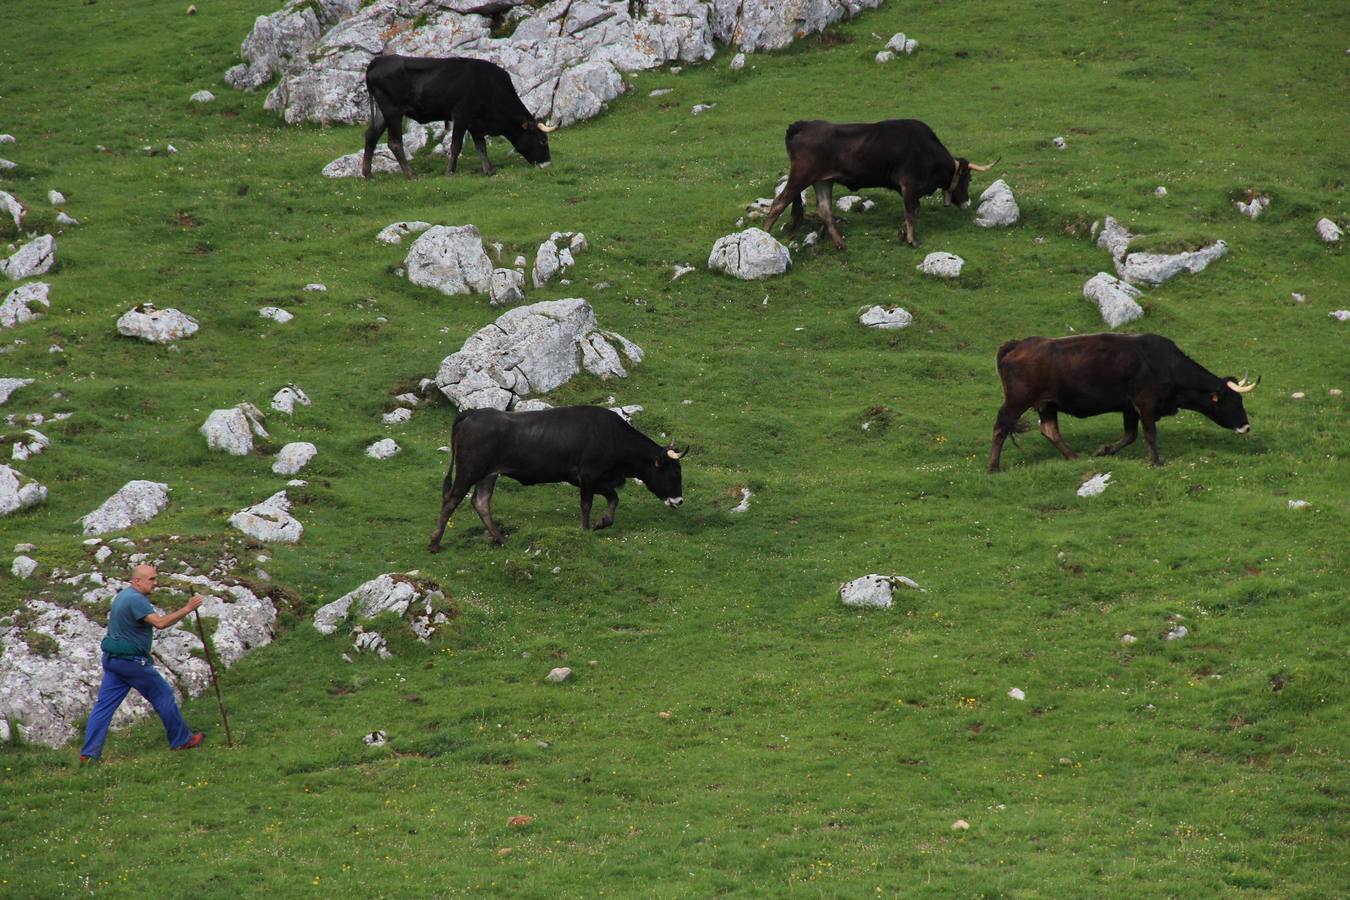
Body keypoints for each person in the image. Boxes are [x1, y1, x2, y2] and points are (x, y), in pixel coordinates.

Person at [79, 565, 207, 761]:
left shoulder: (122, 596)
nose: (156, 583)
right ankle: (181, 740)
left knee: (103, 707)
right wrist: (187, 608)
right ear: (137, 581)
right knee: (163, 693)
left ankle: (89, 754)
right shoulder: (136, 600)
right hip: (132, 662)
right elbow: (160, 623)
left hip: (113, 660)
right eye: (152, 579)